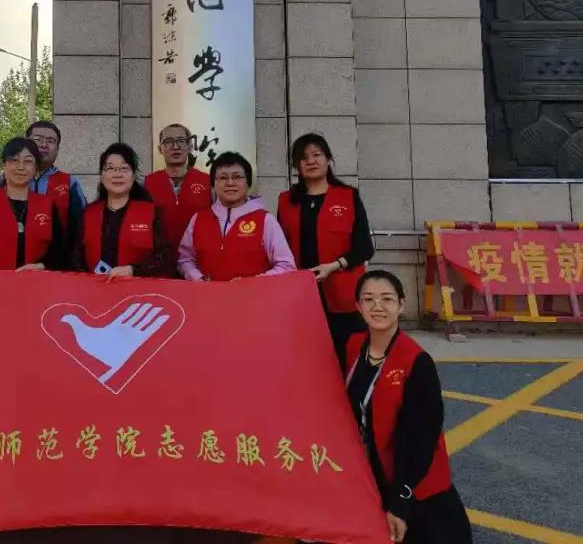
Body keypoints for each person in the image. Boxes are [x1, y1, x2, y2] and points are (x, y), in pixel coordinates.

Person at [345, 270, 472, 544]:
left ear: (401, 305)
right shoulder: (354, 347)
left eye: (387, 299)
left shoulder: (417, 363)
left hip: (416, 483)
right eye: (368, 299)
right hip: (371, 477)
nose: (377, 306)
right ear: (358, 306)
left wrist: (400, 501)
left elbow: (421, 439)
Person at [276, 133, 374, 364]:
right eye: (304, 158)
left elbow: (364, 247)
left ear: (328, 159)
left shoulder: (348, 196)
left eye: (317, 155)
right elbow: (279, 247)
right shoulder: (286, 201)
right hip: (301, 292)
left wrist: (335, 265)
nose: (311, 161)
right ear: (297, 166)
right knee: (307, 356)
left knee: (347, 354)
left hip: (343, 292)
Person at [178, 151, 296, 281]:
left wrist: (252, 282)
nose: (230, 183)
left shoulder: (265, 220)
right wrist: (197, 277)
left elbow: (286, 266)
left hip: (253, 293)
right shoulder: (198, 219)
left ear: (248, 182)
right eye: (223, 178)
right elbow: (184, 259)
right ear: (213, 184)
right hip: (206, 293)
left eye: (237, 177)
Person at [73, 143, 172, 279]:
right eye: (110, 168)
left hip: (138, 288)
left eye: (124, 169)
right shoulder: (88, 213)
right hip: (94, 288)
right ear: (102, 176)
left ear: (133, 175)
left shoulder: (150, 212)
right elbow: (76, 258)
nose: (117, 174)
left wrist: (133, 270)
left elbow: (165, 257)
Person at [0, 137, 65, 271]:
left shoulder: (47, 205)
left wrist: (41, 266)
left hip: (37, 280)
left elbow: (59, 249)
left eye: (28, 161)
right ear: (4, 165)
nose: (21, 167)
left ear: (36, 168)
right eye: (14, 160)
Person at [0, 120, 88, 247]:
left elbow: (82, 228)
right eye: (38, 139)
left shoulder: (69, 183)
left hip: (56, 256)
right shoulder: (5, 179)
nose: (44, 144)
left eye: (50, 141)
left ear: (57, 149)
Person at [143, 123, 213, 253]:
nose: (175, 146)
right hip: (158, 260)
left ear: (190, 146)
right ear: (160, 149)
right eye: (168, 141)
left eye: (181, 141)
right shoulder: (147, 183)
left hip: (198, 259)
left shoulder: (208, 182)